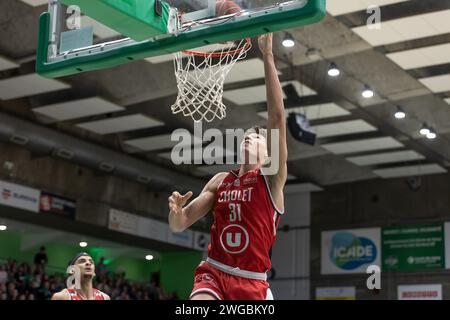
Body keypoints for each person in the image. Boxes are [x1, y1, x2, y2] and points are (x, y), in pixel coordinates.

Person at [168, 33, 287, 300]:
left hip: (252, 281)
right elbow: (180, 224)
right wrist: (176, 212)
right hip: (215, 272)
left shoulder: (270, 179)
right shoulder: (220, 181)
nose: (249, 136)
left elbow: (277, 118)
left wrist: (267, 56)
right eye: (247, 134)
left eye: (257, 136)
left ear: (269, 156)